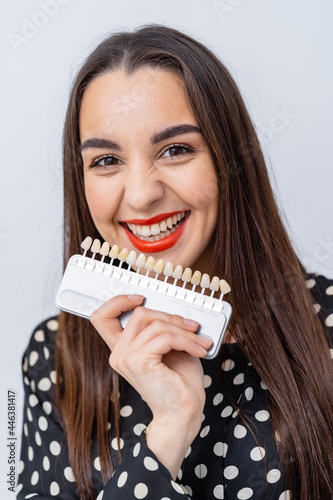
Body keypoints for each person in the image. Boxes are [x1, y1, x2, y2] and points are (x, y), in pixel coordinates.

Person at [17, 25, 333, 500]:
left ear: (229, 161)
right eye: (106, 160)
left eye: (176, 149)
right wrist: (168, 429)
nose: (142, 195)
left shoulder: (326, 327)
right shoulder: (54, 358)